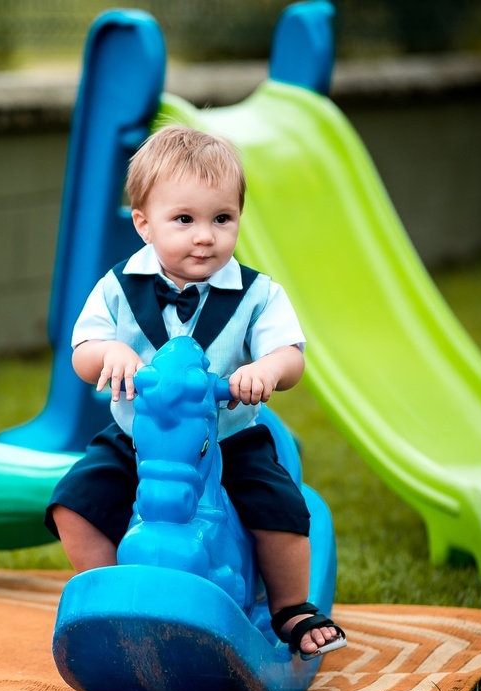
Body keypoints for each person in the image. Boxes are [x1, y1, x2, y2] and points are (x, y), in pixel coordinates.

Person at [45, 124, 346, 661]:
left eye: (221, 219)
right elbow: (83, 349)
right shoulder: (118, 286)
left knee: (277, 503)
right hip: (141, 436)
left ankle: (291, 608)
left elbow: (291, 355)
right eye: (184, 220)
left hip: (229, 436)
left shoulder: (258, 294)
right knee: (73, 502)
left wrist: (265, 370)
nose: (205, 236)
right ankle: (113, 593)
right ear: (144, 224)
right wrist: (109, 354)